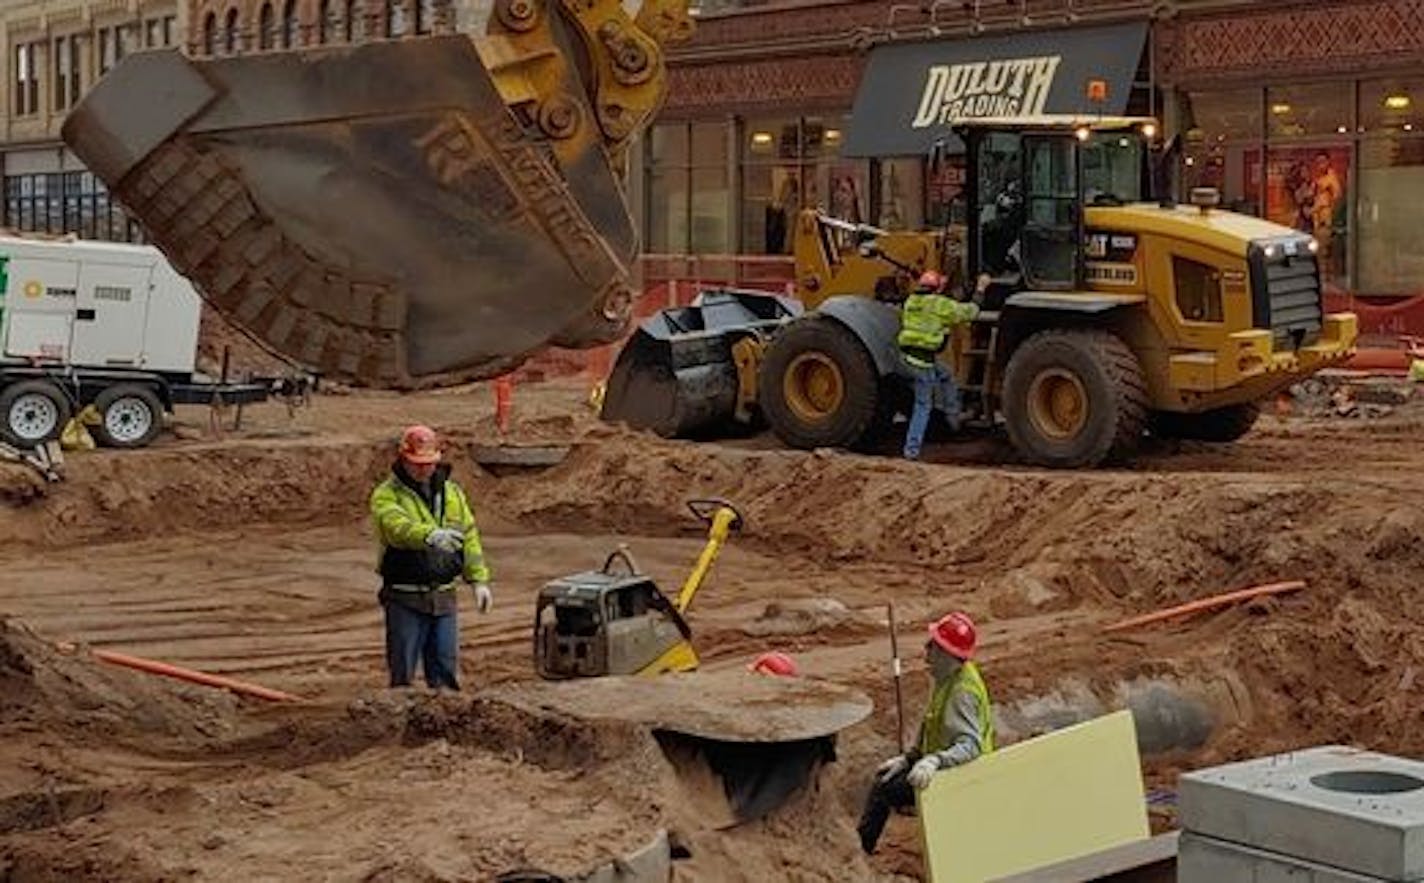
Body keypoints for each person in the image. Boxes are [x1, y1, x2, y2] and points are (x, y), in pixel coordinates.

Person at [857, 611, 994, 854]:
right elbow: (932, 723)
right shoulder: (949, 677)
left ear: (948, 655)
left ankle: (860, 851)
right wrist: (909, 758)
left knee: (884, 789)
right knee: (886, 781)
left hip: (961, 773)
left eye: (935, 646)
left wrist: (934, 761)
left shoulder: (962, 693)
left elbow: (971, 746)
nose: (926, 650)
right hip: (945, 765)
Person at [369, 424, 493, 690]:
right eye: (417, 464)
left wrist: (478, 581)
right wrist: (429, 536)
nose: (424, 469)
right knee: (403, 674)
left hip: (444, 596)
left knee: (445, 670)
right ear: (404, 460)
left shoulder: (452, 494)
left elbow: (468, 537)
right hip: (405, 597)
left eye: (429, 463)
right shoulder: (386, 495)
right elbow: (395, 527)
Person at [897, 271, 980, 460]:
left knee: (947, 374)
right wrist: (980, 291)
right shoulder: (939, 304)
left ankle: (953, 418)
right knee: (923, 405)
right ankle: (911, 450)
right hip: (922, 362)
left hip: (907, 358)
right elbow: (970, 312)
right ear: (937, 288)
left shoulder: (911, 301)